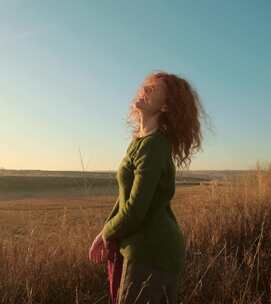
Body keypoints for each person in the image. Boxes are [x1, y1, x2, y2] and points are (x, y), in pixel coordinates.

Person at [88, 70, 207, 304]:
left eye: (154, 89)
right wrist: (105, 231)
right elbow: (124, 197)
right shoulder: (140, 142)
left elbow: (135, 209)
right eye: (146, 85)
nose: (144, 89)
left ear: (164, 107)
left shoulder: (154, 145)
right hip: (144, 249)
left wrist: (107, 233)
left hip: (152, 251)